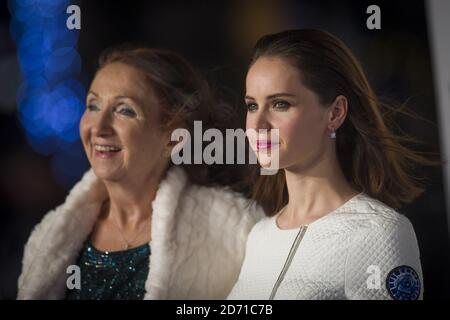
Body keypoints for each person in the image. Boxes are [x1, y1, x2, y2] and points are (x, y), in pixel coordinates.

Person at [17, 46, 263, 300]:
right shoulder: (47, 237)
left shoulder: (234, 232)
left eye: (124, 110)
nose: (98, 127)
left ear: (173, 138)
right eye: (93, 105)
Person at [227, 29, 434, 300]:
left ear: (335, 113)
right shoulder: (259, 236)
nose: (257, 125)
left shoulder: (378, 232)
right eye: (252, 106)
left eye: (280, 104)